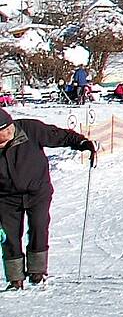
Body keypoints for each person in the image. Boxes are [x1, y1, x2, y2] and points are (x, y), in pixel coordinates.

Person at [0, 110, 95, 289]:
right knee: (9, 237)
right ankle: (15, 279)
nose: (6, 137)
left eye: (7, 132)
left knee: (39, 227)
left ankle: (37, 273)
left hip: (38, 191)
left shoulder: (30, 128)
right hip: (5, 197)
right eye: (1, 138)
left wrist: (82, 142)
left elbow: (58, 135)